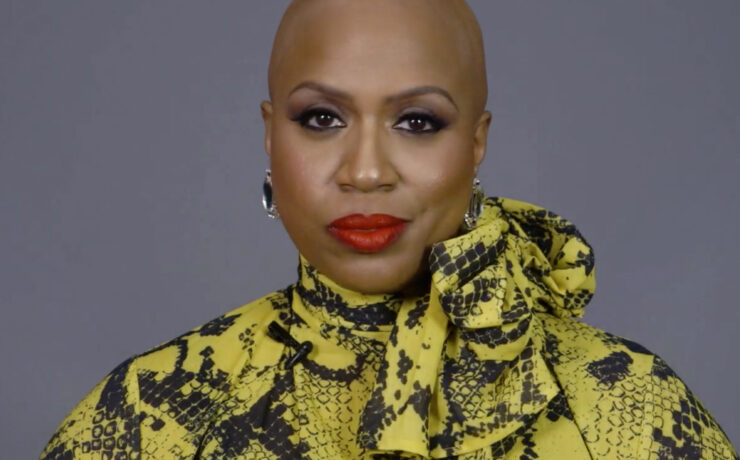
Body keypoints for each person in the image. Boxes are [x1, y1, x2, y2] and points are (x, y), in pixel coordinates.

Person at [41, 1, 736, 459]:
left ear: (476, 142)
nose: (367, 172)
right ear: (269, 136)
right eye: (322, 119)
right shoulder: (152, 411)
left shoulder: (628, 404)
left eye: (417, 122)